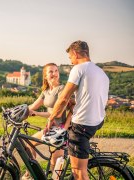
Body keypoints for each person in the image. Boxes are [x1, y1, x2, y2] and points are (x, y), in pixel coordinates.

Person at [47, 40, 109, 180]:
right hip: (96, 121)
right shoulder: (101, 73)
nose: (71, 62)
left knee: (79, 173)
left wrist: (51, 118)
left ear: (75, 53)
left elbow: (63, 97)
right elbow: (93, 97)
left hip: (82, 125)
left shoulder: (79, 68)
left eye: (70, 58)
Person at [22, 63, 73, 180]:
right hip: (50, 128)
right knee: (29, 144)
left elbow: (56, 113)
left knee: (55, 169)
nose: (54, 74)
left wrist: (37, 113)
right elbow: (33, 106)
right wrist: (19, 110)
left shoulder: (61, 89)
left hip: (60, 130)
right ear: (45, 76)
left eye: (56, 71)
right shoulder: (45, 91)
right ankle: (30, 173)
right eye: (51, 71)